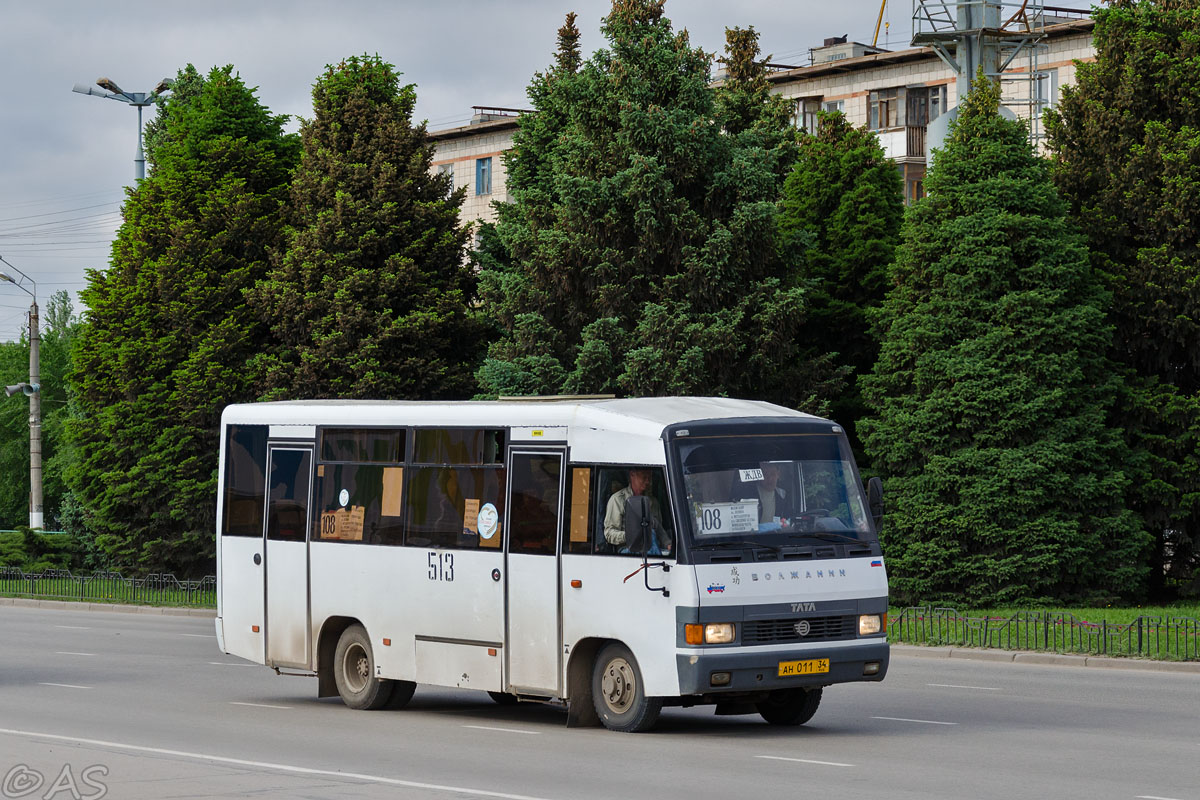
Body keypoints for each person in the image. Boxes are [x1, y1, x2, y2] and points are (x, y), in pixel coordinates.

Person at [603, 468, 671, 554]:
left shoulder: (653, 502)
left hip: (653, 549)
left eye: (649, 478)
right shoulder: (617, 500)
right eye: (644, 477)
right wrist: (631, 536)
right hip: (627, 550)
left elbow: (659, 529)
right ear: (632, 474)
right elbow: (609, 533)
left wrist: (668, 544)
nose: (647, 482)